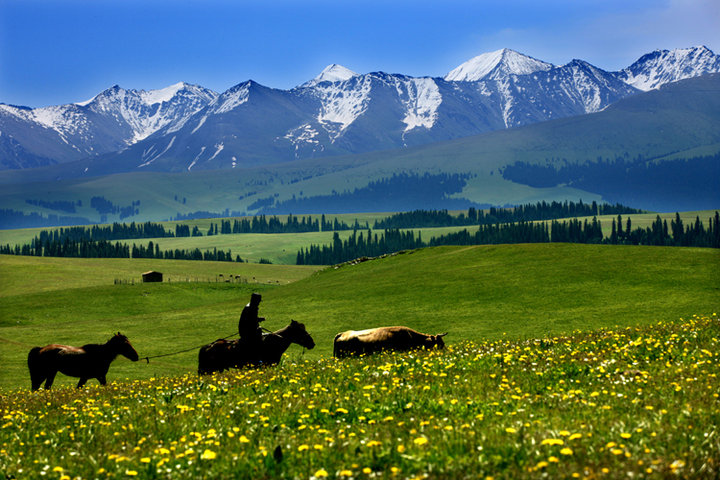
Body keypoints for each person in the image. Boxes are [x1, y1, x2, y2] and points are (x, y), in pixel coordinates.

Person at [238, 293, 265, 357]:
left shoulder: (250, 306)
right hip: (247, 330)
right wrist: (259, 320)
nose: (259, 303)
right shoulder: (252, 307)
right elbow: (251, 320)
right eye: (258, 301)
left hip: (247, 328)